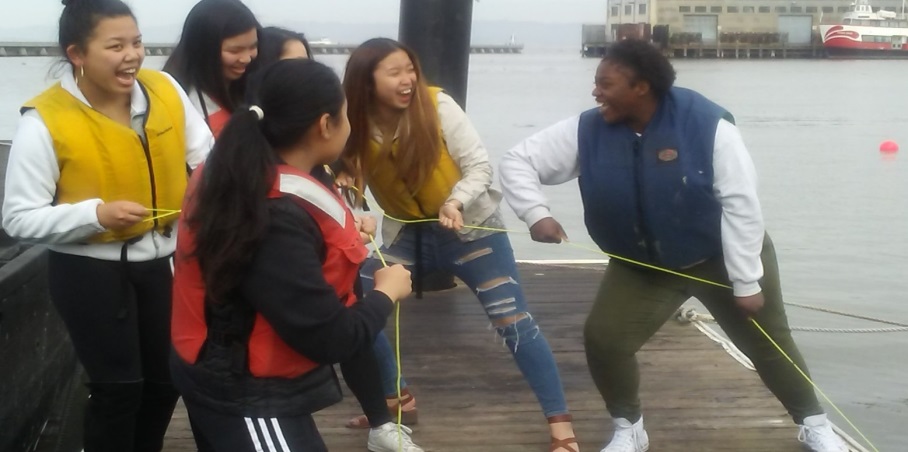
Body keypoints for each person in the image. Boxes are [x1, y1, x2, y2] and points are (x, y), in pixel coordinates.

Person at [499, 39, 849, 452]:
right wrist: (536, 213)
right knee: (605, 339)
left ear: (641, 87)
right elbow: (517, 160)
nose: (596, 93)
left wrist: (747, 281)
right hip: (643, 265)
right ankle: (629, 427)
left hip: (721, 254)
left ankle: (814, 424)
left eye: (605, 84)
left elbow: (741, 205)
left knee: (769, 341)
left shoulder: (707, 125)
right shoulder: (589, 129)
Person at [170, 58, 423, 452]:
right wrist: (385, 293)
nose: (350, 125)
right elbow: (331, 338)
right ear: (325, 125)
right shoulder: (271, 214)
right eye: (345, 115)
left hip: (213, 371)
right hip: (248, 395)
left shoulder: (237, 170)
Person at [340, 37, 579, 452]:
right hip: (404, 235)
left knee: (514, 323)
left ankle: (562, 429)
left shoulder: (438, 106)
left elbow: (479, 166)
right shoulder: (353, 124)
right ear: (365, 82)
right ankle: (398, 398)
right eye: (394, 73)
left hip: (471, 230)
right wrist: (352, 212)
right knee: (356, 307)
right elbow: (349, 185)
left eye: (409, 69)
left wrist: (455, 201)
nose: (407, 79)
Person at [1, 0, 213, 450]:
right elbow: (18, 217)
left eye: (136, 43)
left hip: (163, 266)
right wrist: (94, 215)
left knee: (163, 383)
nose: (132, 56)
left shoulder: (164, 89)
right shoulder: (45, 120)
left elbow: (206, 157)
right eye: (115, 46)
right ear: (77, 53)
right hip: (90, 274)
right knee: (118, 390)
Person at [163, 0, 260, 138]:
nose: (246, 58)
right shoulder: (180, 102)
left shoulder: (253, 90)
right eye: (234, 51)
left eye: (252, 47)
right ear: (204, 49)